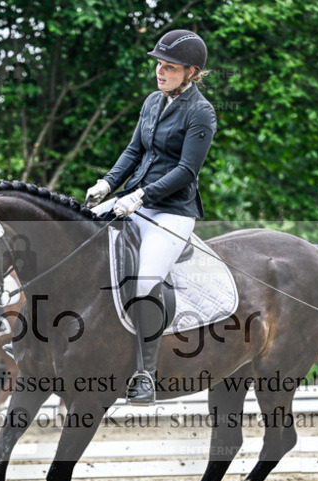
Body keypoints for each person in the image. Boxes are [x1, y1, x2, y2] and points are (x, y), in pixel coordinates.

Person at [84, 29, 217, 405]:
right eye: (159, 64)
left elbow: (187, 171)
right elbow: (134, 150)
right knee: (78, 238)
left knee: (143, 283)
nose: (160, 71)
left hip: (172, 212)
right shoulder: (152, 102)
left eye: (169, 67)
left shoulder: (201, 112)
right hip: (133, 201)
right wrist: (107, 185)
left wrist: (141, 195)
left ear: (191, 72)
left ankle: (145, 374)